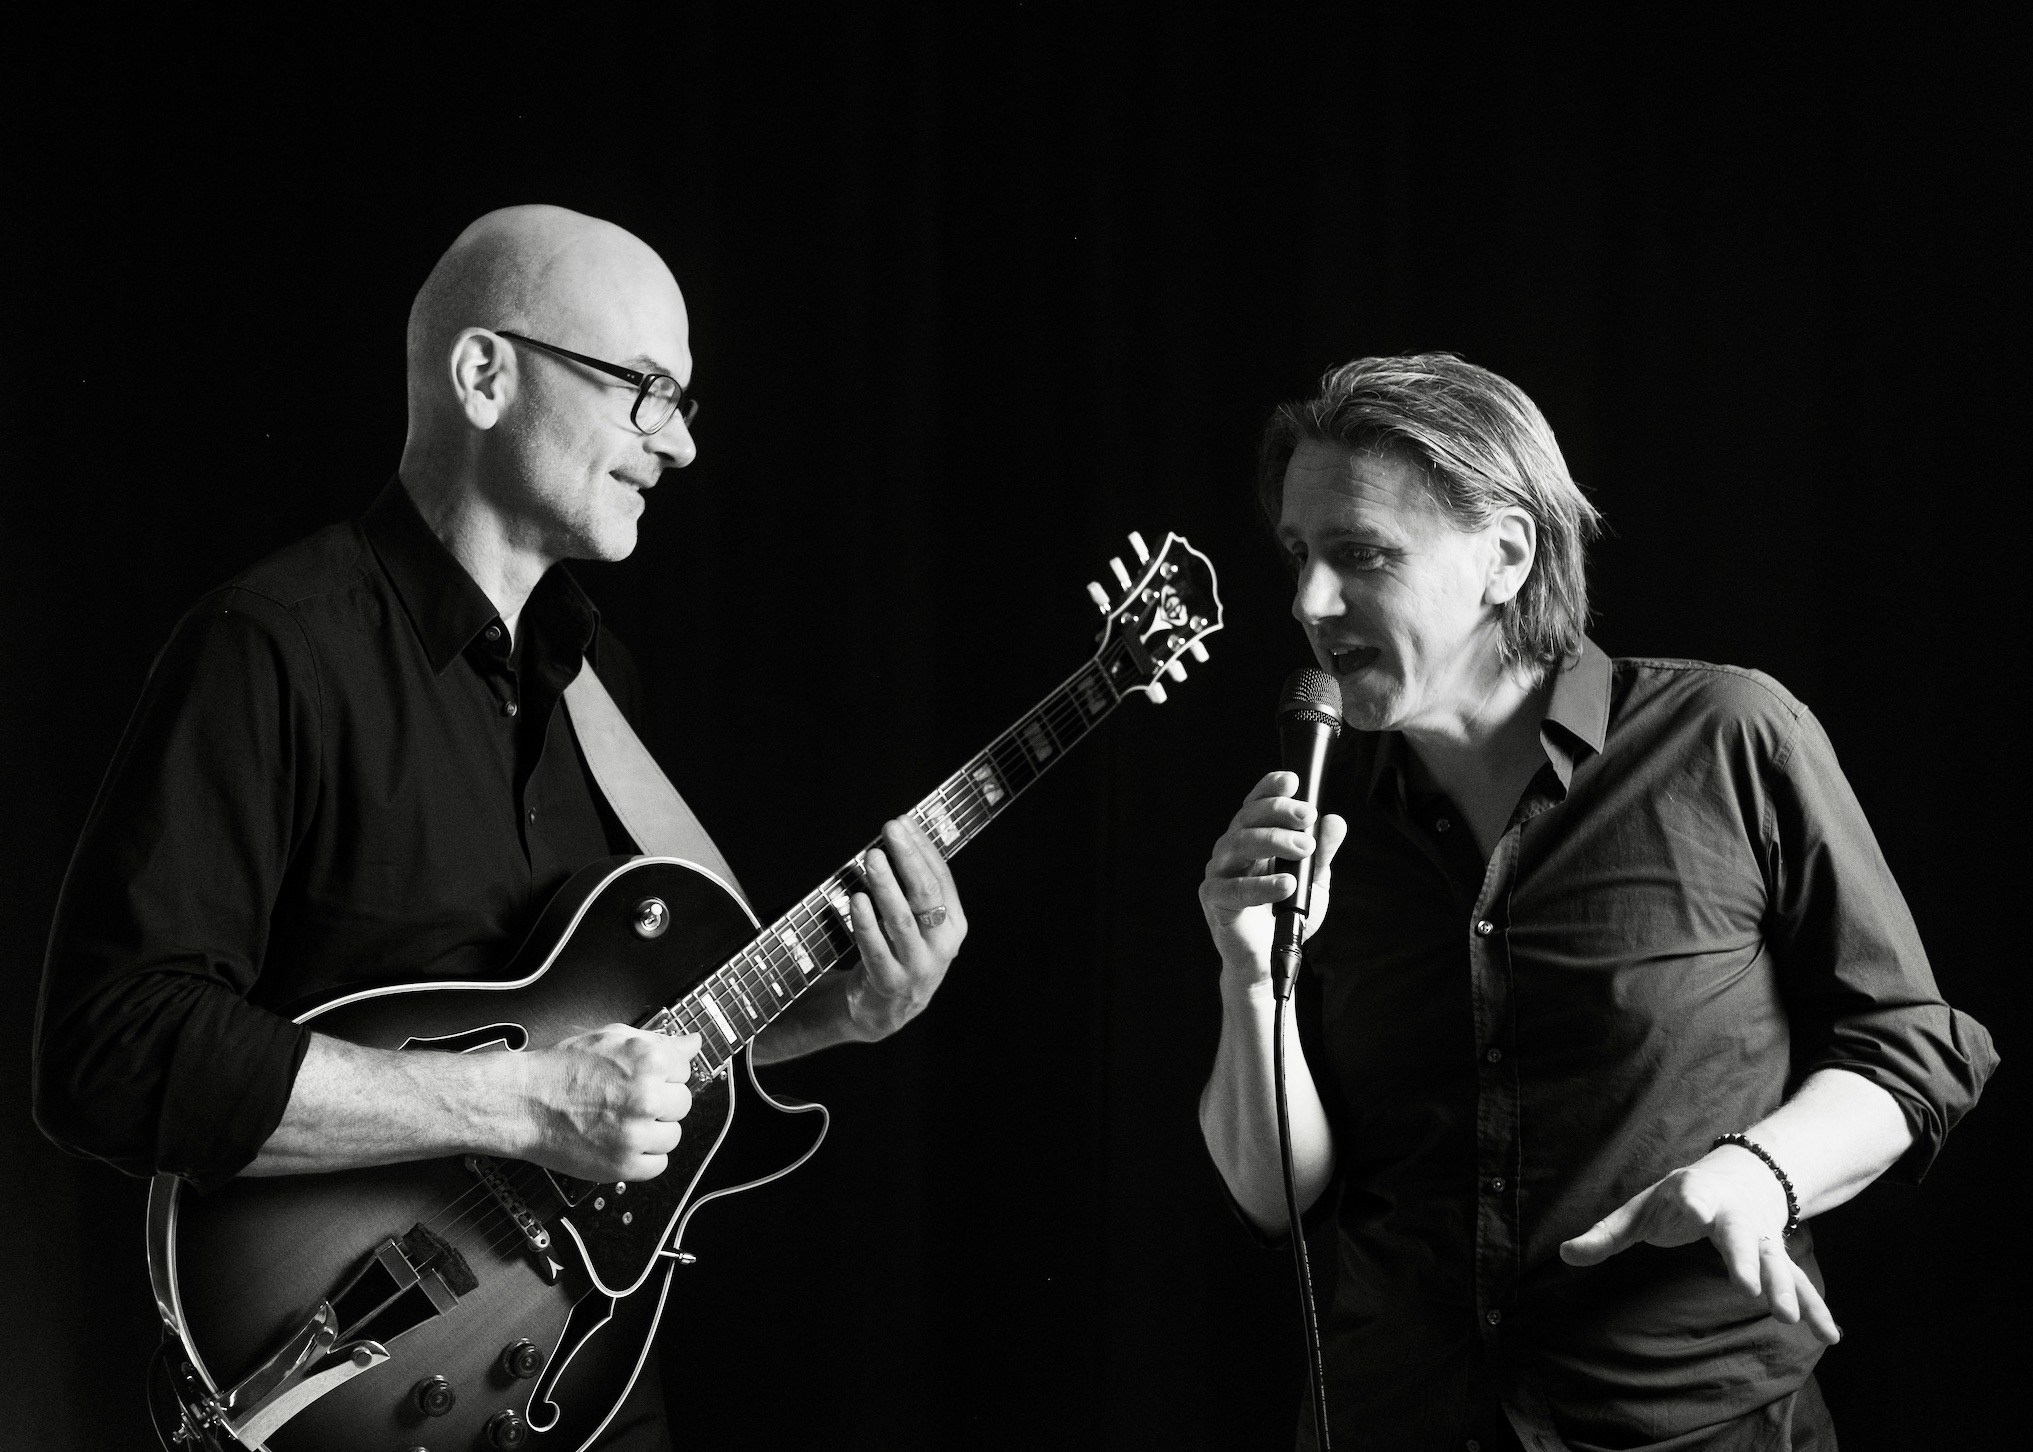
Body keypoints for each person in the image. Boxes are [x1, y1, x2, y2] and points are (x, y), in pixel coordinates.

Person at [32, 205, 967, 1449]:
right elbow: (112, 1052)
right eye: (644, 389)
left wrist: (822, 1021)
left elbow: (614, 1049)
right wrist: (520, 1108)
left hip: (568, 1393)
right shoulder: (272, 649)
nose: (678, 445)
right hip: (337, 1381)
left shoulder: (596, 682)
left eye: (684, 403)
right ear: (484, 375)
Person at [1195, 354, 1996, 1451]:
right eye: (1297, 554)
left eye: (1359, 554)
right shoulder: (1332, 821)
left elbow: (1914, 1046)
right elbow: (1274, 1198)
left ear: (1504, 556)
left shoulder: (1725, 737)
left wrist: (1759, 1171)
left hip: (1686, 1428)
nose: (1306, 601)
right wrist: (1251, 981)